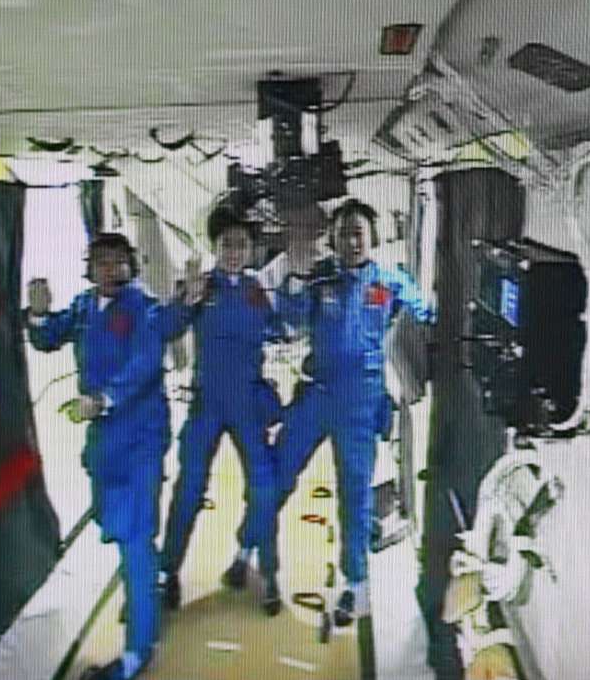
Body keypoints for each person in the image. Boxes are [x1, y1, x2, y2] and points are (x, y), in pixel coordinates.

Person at [26, 232, 196, 680]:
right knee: (115, 525)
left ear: (130, 266)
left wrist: (103, 400)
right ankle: (148, 589)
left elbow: (144, 363)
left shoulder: (142, 308)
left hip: (140, 437)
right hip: (103, 443)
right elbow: (48, 337)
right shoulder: (84, 308)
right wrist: (38, 313)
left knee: (135, 537)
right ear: (89, 268)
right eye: (100, 261)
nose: (109, 268)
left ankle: (138, 650)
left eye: (118, 261)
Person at [275, 198, 435, 627]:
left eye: (358, 233)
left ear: (372, 238)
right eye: (344, 234)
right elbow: (290, 318)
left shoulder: (389, 282)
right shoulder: (320, 279)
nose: (351, 242)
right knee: (277, 470)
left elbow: (425, 311)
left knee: (355, 495)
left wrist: (431, 319)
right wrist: (296, 277)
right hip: (318, 394)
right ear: (333, 239)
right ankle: (257, 552)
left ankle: (356, 586)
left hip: (361, 404)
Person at [160, 206, 284, 615]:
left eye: (241, 244)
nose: (234, 252)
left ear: (251, 250)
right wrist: (186, 298)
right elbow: (166, 329)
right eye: (226, 244)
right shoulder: (200, 286)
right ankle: (168, 572)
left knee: (264, 486)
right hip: (207, 404)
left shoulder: (257, 291)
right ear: (214, 247)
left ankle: (265, 570)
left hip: (248, 403)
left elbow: (283, 328)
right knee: (189, 488)